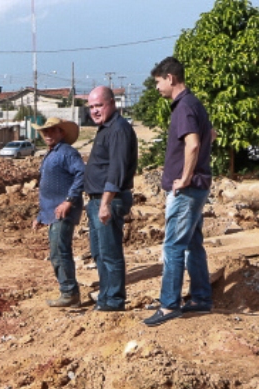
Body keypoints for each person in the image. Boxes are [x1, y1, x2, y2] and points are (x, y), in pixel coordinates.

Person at [144, 56, 214, 327]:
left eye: (158, 82)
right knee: (193, 244)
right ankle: (200, 298)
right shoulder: (193, 104)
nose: (157, 87)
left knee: (173, 246)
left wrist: (184, 178)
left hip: (188, 190)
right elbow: (212, 134)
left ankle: (169, 304)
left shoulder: (184, 106)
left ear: (170, 78)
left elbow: (193, 144)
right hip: (198, 187)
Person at [84, 86, 137, 312]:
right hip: (97, 200)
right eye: (91, 107)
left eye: (99, 106)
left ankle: (114, 300)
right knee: (99, 253)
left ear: (111, 104)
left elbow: (116, 170)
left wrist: (105, 203)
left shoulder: (118, 129)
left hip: (109, 200)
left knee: (110, 253)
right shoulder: (105, 128)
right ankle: (105, 298)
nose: (95, 111)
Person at [30, 117, 85, 307]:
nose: (48, 134)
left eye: (52, 130)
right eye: (45, 131)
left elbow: (81, 174)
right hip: (53, 212)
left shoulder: (67, 153)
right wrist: (40, 216)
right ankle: (68, 291)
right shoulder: (52, 153)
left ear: (62, 133)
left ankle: (69, 293)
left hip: (64, 212)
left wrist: (69, 201)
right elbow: (48, 190)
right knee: (57, 251)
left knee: (59, 252)